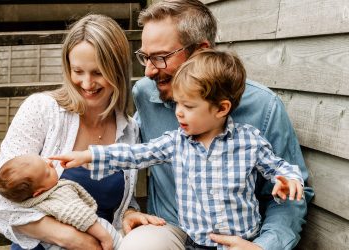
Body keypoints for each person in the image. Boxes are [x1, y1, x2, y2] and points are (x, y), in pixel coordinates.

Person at [50, 49, 305, 250]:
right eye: (177, 103)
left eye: (189, 106)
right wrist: (90, 154)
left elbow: (279, 166)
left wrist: (288, 179)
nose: (179, 112)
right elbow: (135, 154)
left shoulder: (250, 141)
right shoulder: (176, 142)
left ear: (221, 109)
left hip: (241, 240)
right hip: (192, 240)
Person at [121, 1, 315, 249]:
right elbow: (126, 152)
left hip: (237, 236)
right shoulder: (147, 93)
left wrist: (265, 246)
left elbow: (291, 195)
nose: (148, 71)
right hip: (169, 228)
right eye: (145, 57)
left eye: (160, 58)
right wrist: (127, 209)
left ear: (201, 50)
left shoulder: (263, 107)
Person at [0, 14, 164, 250]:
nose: (87, 84)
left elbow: (121, 200)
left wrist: (129, 212)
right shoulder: (41, 110)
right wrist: (69, 238)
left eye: (98, 73)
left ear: (118, 71)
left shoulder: (129, 129)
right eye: (78, 71)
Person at [0, 154, 123, 250]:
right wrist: (105, 238)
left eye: (44, 161)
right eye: (47, 172)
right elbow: (84, 218)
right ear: (39, 192)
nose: (50, 163)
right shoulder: (59, 196)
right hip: (97, 233)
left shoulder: (28, 202)